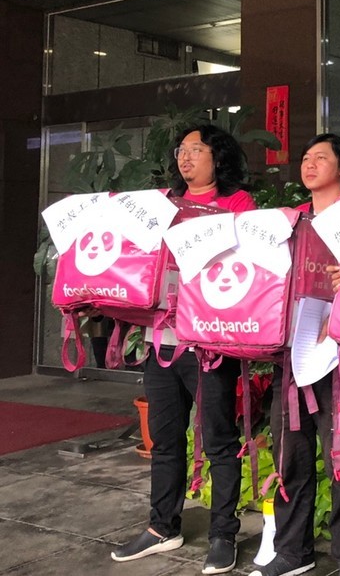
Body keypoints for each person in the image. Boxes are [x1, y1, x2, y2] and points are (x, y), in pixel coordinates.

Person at [112, 124, 254, 574]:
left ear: (218, 157)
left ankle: (223, 535)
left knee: (219, 441)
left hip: (210, 343)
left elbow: (247, 266)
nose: (185, 157)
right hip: (161, 341)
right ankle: (162, 528)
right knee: (165, 440)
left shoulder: (238, 204)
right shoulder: (162, 204)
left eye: (196, 149)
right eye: (181, 150)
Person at [250, 133, 340, 576]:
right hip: (292, 353)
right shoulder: (291, 222)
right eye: (305, 157)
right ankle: (293, 551)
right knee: (290, 455)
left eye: (321, 157)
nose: (310, 164)